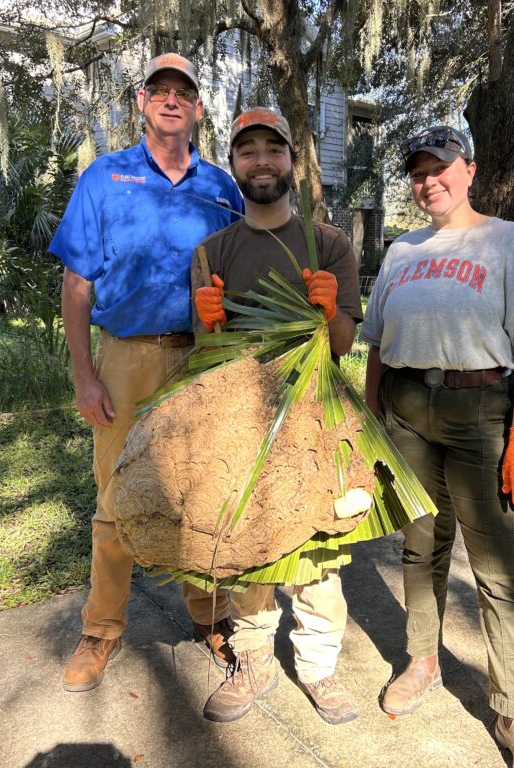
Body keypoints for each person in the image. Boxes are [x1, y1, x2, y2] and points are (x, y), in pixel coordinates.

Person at [361, 126, 514, 766]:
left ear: (469, 171)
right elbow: (377, 345)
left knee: (501, 568)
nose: (429, 182)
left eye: (440, 168)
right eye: (418, 173)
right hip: (406, 410)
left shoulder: (509, 242)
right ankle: (423, 660)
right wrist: (370, 420)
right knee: (421, 547)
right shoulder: (401, 250)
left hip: (482, 414)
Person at [49, 52, 245, 692]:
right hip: (126, 358)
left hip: (202, 359)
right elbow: (77, 284)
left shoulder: (222, 188)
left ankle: (211, 615)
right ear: (141, 100)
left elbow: (242, 276)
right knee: (116, 495)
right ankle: (101, 629)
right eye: (159, 89)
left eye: (182, 92)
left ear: (197, 107)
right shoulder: (104, 178)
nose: (170, 99)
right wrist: (85, 376)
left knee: (202, 491)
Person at [190, 107, 363, 725]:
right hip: (240, 426)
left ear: (293, 162)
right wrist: (209, 324)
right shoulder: (212, 251)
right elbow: (205, 356)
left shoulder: (331, 244)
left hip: (315, 421)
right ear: (234, 164)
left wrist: (332, 311)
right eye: (248, 151)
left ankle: (318, 667)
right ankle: (254, 660)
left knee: (319, 553)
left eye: (273, 149)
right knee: (248, 548)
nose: (261, 161)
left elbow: (343, 345)